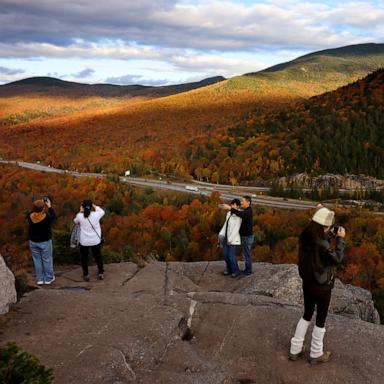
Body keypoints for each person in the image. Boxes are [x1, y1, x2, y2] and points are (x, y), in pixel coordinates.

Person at [289, 207, 346, 364]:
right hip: (322, 287)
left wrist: (331, 234)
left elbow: (320, 245)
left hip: (308, 284)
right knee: (320, 319)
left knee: (307, 314)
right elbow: (337, 258)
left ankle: (295, 349)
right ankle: (315, 353)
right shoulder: (322, 244)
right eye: (327, 227)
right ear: (323, 226)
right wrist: (340, 239)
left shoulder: (306, 237)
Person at [74, 200, 105, 281]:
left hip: (84, 241)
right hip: (95, 241)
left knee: (84, 258)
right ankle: (101, 273)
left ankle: (86, 274)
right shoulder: (96, 215)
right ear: (91, 207)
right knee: (98, 257)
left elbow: (75, 221)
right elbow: (102, 211)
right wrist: (94, 206)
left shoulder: (80, 216)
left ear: (83, 207)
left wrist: (80, 211)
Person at [28, 197, 56, 285]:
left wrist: (39, 203)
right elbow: (54, 216)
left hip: (33, 241)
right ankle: (48, 278)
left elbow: (33, 211)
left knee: (37, 260)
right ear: (43, 208)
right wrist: (49, 206)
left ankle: (40, 279)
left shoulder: (30, 216)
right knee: (47, 259)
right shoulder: (46, 217)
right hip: (45, 241)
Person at [223, 196, 254, 275]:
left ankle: (248, 270)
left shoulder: (248, 211)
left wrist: (230, 208)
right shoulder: (245, 211)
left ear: (248, 202)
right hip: (244, 236)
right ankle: (245, 269)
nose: (241, 202)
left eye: (243, 201)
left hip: (247, 237)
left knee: (246, 254)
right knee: (244, 254)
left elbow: (241, 215)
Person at [218, 199, 242, 277]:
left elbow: (236, 229)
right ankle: (229, 269)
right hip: (225, 237)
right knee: (225, 255)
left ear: (238, 206)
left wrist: (230, 239)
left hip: (233, 239)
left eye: (234, 205)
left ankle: (236, 271)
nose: (232, 206)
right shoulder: (229, 213)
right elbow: (226, 225)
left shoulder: (239, 216)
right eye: (232, 204)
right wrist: (221, 235)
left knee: (231, 256)